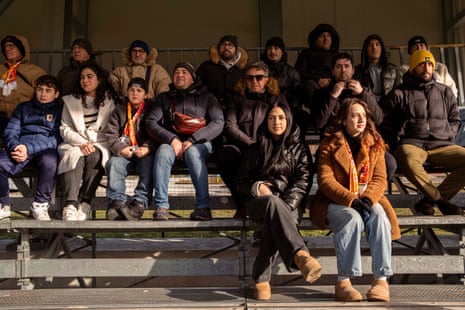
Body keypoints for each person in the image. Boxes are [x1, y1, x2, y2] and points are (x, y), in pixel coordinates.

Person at [310, 98, 400, 302]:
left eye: (363, 115)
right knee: (352, 219)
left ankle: (381, 279)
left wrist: (367, 199)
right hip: (335, 201)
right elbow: (325, 181)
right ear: (343, 119)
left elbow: (379, 178)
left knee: (380, 216)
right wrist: (351, 199)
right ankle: (344, 281)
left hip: (368, 198)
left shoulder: (375, 143)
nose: (360, 120)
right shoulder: (329, 143)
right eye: (354, 115)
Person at [236, 102, 321, 300]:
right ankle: (300, 255)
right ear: (266, 121)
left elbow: (303, 182)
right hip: (258, 203)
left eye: (281, 117)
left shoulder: (300, 149)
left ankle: (261, 279)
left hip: (291, 203)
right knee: (272, 204)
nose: (277, 122)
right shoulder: (255, 149)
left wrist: (285, 204)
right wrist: (257, 187)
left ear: (289, 120)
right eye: (272, 118)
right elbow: (240, 181)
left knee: (274, 221)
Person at [382, 50, 465, 216]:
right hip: (412, 144)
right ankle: (441, 201)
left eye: (429, 64)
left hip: (442, 144)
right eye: (421, 64)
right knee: (406, 158)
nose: (426, 68)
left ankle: (429, 201)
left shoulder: (445, 92)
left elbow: (455, 119)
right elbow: (386, 123)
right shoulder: (399, 93)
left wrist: (449, 134)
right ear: (413, 67)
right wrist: (396, 141)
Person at [145, 62, 224, 221]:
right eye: (176, 72)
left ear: (193, 78)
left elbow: (218, 122)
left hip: (200, 143)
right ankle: (161, 206)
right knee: (162, 152)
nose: (180, 75)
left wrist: (193, 140)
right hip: (172, 143)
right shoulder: (164, 98)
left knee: (193, 152)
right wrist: (171, 138)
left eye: (184, 72)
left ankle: (203, 207)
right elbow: (150, 122)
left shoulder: (207, 97)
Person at [217, 61, 287, 217]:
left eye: (259, 77)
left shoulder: (277, 99)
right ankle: (243, 203)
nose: (254, 81)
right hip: (244, 148)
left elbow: (285, 124)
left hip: (269, 150)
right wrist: (251, 144)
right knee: (225, 154)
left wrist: (264, 146)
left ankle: (267, 207)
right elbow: (230, 126)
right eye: (250, 78)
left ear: (267, 79)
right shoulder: (237, 99)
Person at [58, 63, 118, 221]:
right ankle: (70, 204)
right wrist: (81, 142)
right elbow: (64, 128)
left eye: (89, 76)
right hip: (74, 142)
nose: (85, 80)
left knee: (96, 156)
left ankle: (85, 202)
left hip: (99, 142)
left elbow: (110, 129)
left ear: (99, 80)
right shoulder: (70, 101)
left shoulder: (109, 101)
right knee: (74, 155)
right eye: (82, 77)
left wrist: (91, 144)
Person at [0, 75, 62, 220]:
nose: (43, 94)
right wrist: (16, 147)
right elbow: (11, 131)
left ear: (56, 93)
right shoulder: (23, 108)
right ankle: (3, 204)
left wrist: (29, 148)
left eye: (48, 90)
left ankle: (40, 204)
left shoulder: (60, 111)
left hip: (45, 148)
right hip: (21, 146)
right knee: (0, 163)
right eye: (40, 89)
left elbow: (57, 138)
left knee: (50, 161)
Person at [104, 78, 154, 221]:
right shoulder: (119, 110)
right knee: (114, 163)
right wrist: (121, 149)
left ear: (146, 94)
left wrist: (147, 148)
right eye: (131, 90)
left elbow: (157, 133)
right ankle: (116, 202)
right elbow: (110, 134)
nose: (135, 93)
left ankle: (139, 204)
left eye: (139, 91)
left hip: (144, 151)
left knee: (148, 165)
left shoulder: (151, 110)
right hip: (125, 150)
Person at [260, 37, 309, 134]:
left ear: (282, 52)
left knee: (303, 117)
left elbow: (297, 96)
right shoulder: (260, 70)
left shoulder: (292, 72)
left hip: (288, 108)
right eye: (269, 48)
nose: (272, 51)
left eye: (276, 48)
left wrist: (285, 109)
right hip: (264, 108)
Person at [0, 35, 46, 135]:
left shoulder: (35, 72)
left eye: (11, 46)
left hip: (24, 119)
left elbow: (45, 97)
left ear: (22, 49)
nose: (7, 49)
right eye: (5, 47)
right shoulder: (1, 70)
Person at [294, 23, 340, 116]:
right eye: (321, 36)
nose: (326, 39)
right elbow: (300, 71)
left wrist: (329, 81)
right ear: (315, 39)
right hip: (312, 85)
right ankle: (318, 116)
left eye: (328, 36)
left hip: (332, 84)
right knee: (309, 85)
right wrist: (317, 80)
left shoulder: (337, 55)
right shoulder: (307, 53)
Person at [196, 35, 249, 107]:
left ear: (236, 49)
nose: (226, 48)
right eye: (223, 45)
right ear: (218, 48)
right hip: (210, 106)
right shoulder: (206, 66)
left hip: (237, 108)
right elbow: (197, 84)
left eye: (230, 45)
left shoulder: (244, 68)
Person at [354, 34, 402, 103]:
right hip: (367, 105)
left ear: (382, 48)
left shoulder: (393, 70)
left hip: (389, 105)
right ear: (366, 49)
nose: (374, 47)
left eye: (377, 44)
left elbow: (399, 92)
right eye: (370, 45)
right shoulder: (358, 70)